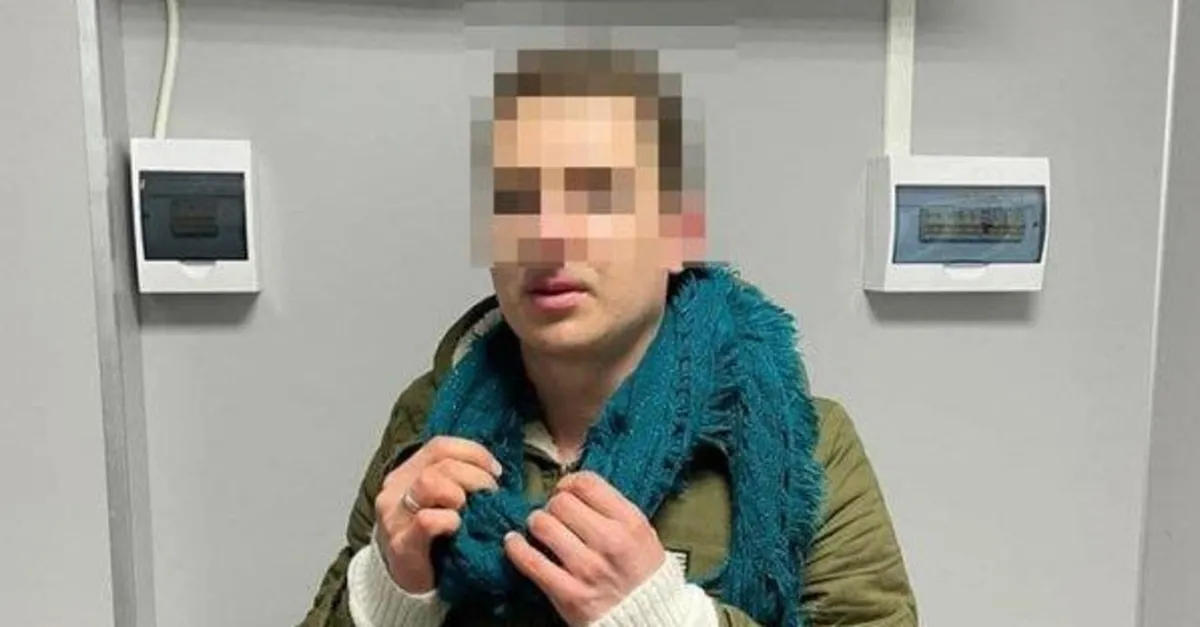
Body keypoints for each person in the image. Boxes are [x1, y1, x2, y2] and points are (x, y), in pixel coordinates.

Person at [300, 48, 917, 627]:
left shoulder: (809, 443)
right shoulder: (426, 420)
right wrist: (391, 592)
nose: (546, 238)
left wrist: (661, 615)